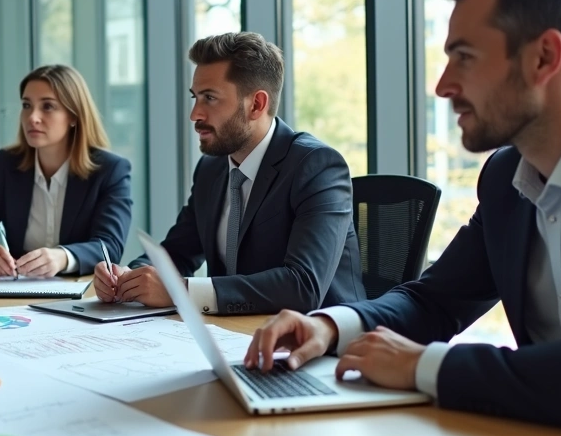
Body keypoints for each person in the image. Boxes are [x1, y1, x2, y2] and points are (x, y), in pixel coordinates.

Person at [245, 0, 561, 434]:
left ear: (544, 58)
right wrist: (327, 326)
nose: (443, 85)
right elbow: (436, 301)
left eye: (464, 57)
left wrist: (422, 366)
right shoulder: (506, 176)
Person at [95, 32, 365, 315]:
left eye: (210, 98)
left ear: (256, 105)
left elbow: (303, 286)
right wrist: (129, 277)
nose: (195, 114)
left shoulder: (317, 167)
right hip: (234, 331)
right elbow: (177, 253)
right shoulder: (211, 169)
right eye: (195, 97)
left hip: (318, 337)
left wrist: (180, 291)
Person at [0, 65, 133, 276]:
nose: (32, 117)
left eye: (47, 106)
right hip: (16, 289)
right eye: (27, 105)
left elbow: (109, 247)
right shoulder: (4, 165)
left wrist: (63, 257)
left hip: (83, 291)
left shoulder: (110, 170)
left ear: (74, 116)